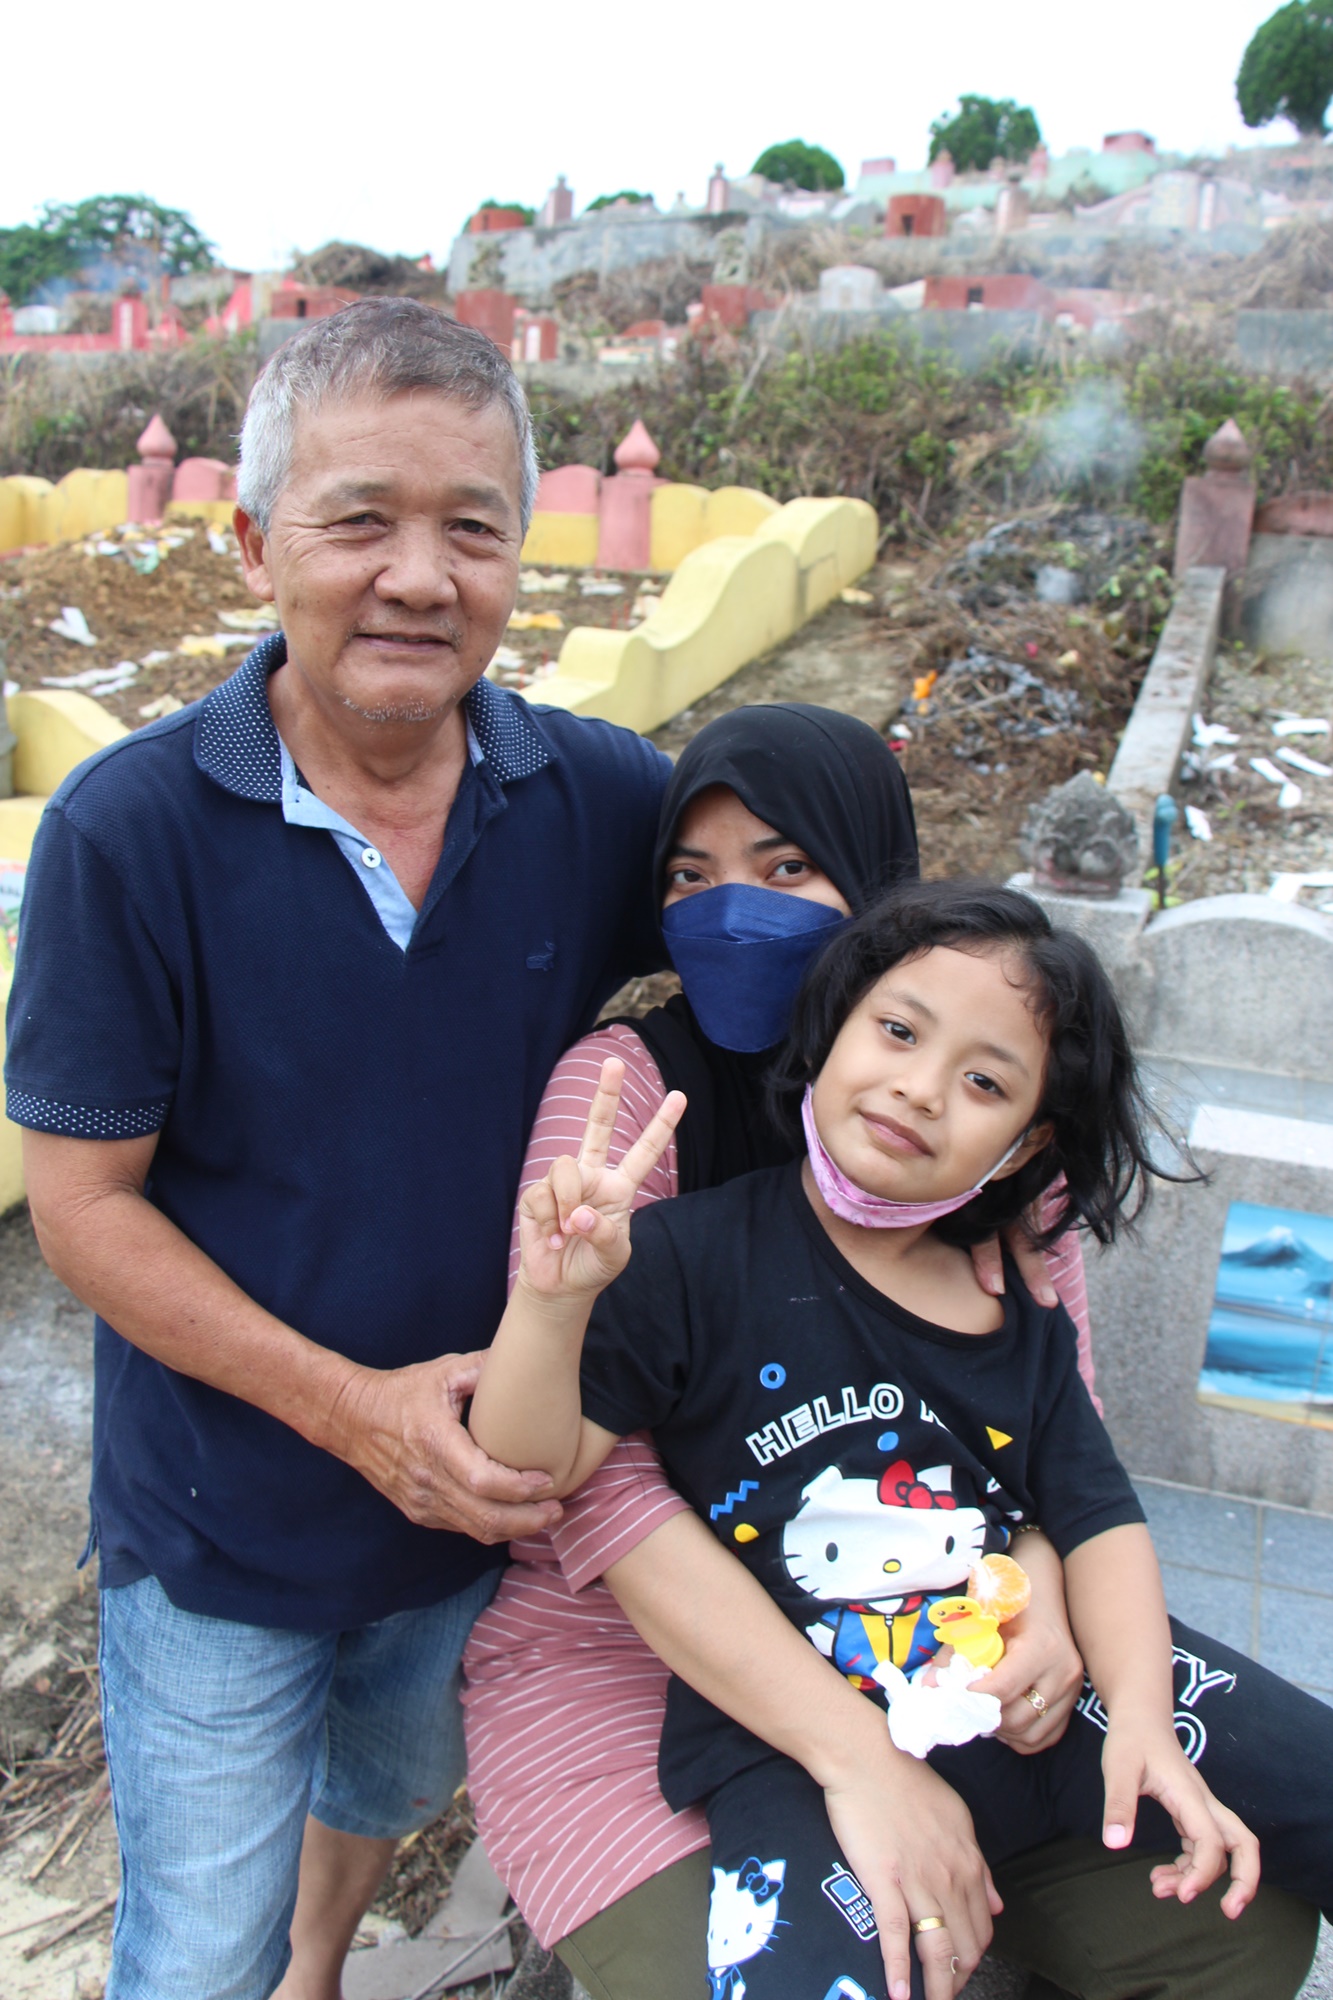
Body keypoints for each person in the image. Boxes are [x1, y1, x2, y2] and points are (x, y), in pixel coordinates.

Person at [3, 299, 673, 2000]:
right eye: (359, 519)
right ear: (253, 545)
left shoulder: (594, 801)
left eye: (472, 530)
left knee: (380, 1787)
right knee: (193, 1950)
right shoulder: (130, 835)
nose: (418, 579)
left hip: (475, 1517)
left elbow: (801, 901)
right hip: (223, 1527)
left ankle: (322, 1962)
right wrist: (357, 1414)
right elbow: (81, 1207)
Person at [463, 716, 1316, 2000]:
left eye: (785, 865)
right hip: (678, 1678)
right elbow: (560, 1474)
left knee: (1250, 1892)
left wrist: (1061, 1625)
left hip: (965, 1643)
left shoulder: (996, 1211)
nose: (733, 909)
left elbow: (1070, 1477)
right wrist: (550, 1298)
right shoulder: (648, 1172)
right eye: (691, 876)